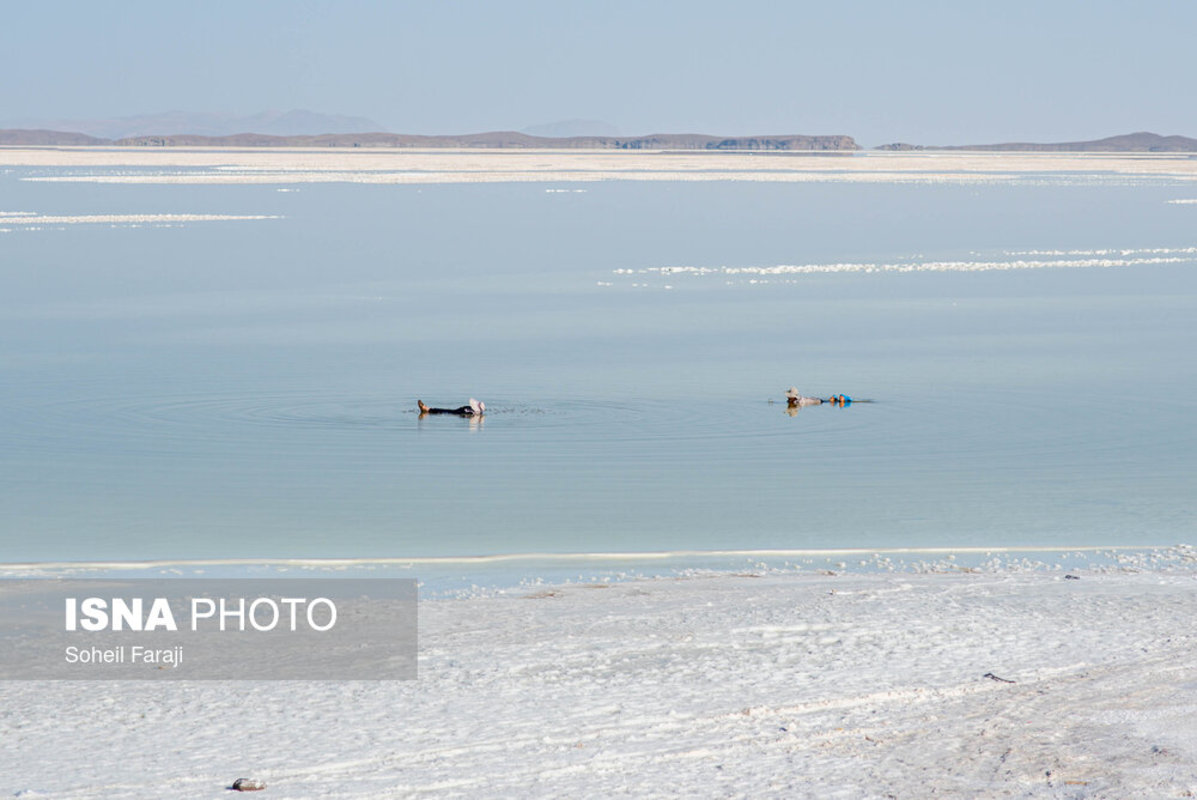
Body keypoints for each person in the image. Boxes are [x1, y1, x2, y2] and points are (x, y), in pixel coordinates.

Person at [417, 398, 485, 417]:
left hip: (455, 413)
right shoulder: (472, 411)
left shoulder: (472, 413)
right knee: (446, 411)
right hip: (456, 412)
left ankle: (426, 410)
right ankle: (427, 409)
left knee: (444, 412)